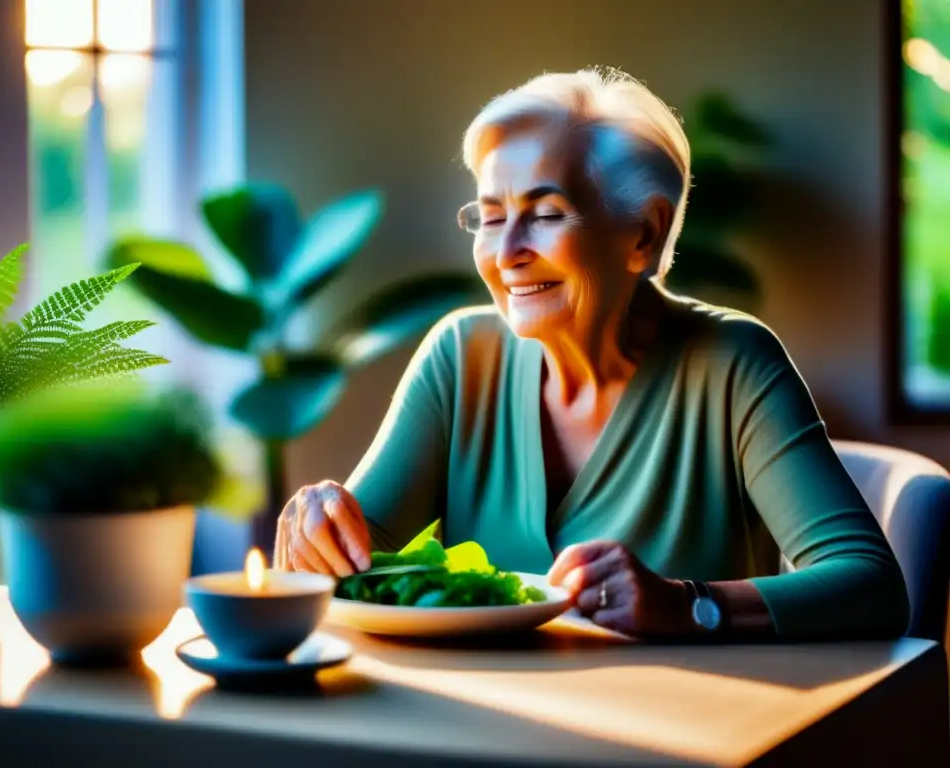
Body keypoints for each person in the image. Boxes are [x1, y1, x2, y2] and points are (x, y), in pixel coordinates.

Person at [273, 67, 910, 642]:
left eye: (546, 214)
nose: (508, 251)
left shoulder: (734, 363)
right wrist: (316, 530)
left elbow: (872, 585)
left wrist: (685, 605)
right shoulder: (459, 358)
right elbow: (355, 565)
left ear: (643, 235)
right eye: (491, 217)